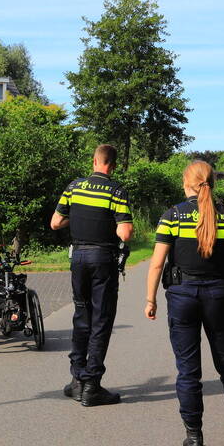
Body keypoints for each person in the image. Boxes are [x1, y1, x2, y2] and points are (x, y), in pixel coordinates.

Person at [144, 160, 224, 446]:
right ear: (211, 183)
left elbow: (157, 263)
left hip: (182, 298)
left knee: (188, 371)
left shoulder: (173, 216)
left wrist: (150, 299)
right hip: (220, 297)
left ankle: (194, 438)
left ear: (187, 182)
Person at [50, 144, 133, 407]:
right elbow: (126, 233)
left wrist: (74, 219)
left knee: (81, 315)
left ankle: (76, 380)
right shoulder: (116, 191)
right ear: (113, 165)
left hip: (78, 258)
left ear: (94, 161)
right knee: (101, 319)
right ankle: (92, 386)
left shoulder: (74, 187)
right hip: (103, 259)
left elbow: (55, 222)